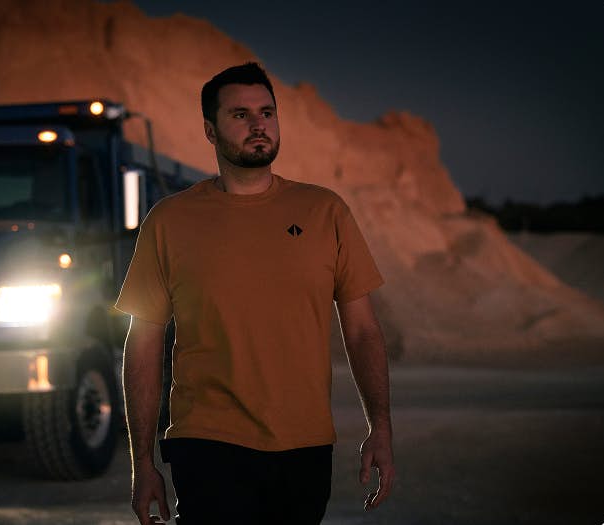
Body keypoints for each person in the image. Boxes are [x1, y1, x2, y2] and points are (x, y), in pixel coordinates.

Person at [116, 62, 395, 525]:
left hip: (305, 445)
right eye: (240, 115)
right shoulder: (170, 221)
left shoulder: (325, 211)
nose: (258, 124)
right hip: (207, 442)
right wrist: (141, 463)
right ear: (210, 130)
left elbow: (363, 330)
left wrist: (380, 428)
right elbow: (142, 344)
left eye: (267, 112)